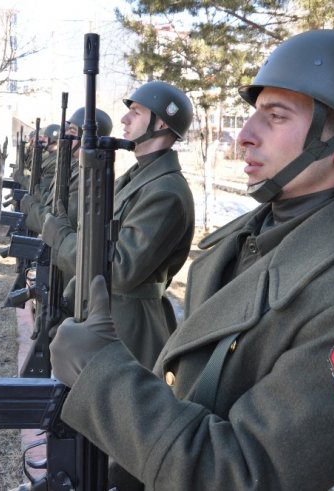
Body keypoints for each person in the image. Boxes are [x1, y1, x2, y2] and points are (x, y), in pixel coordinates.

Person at [49, 29, 334, 490]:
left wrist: (100, 373)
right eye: (254, 114)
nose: (245, 135)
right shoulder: (252, 238)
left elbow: (242, 475)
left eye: (275, 116)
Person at [43, 81, 196, 369]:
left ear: (161, 123)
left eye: (136, 112)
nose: (124, 119)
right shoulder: (138, 177)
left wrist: (62, 239)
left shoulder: (166, 191)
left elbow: (122, 268)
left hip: (130, 330)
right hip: (107, 313)